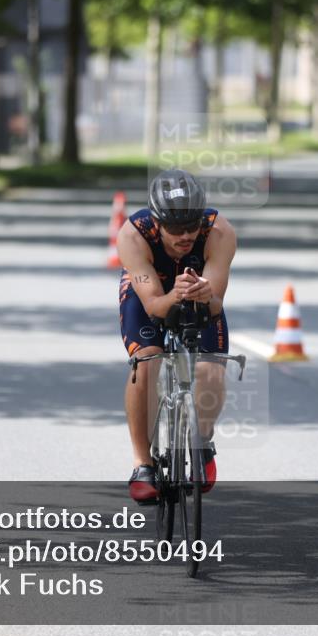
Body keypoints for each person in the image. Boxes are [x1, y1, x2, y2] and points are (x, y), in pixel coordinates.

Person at [116, 169, 238, 504]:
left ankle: (203, 442)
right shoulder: (133, 235)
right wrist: (175, 296)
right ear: (157, 224)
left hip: (201, 299)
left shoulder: (219, 231)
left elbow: (215, 304)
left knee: (211, 369)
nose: (185, 236)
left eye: (191, 226)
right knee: (147, 361)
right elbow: (154, 305)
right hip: (151, 297)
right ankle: (143, 463)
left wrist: (200, 292)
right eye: (174, 228)